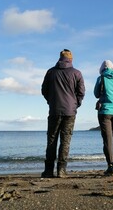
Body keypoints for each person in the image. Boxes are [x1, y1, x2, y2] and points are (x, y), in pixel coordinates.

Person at [41, 49, 85, 178]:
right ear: (71, 59)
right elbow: (81, 92)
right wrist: (76, 104)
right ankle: (61, 170)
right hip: (70, 111)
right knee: (65, 141)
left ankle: (49, 171)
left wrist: (51, 101)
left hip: (55, 110)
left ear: (60, 58)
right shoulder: (77, 73)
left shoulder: (51, 72)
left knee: (51, 140)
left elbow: (44, 90)